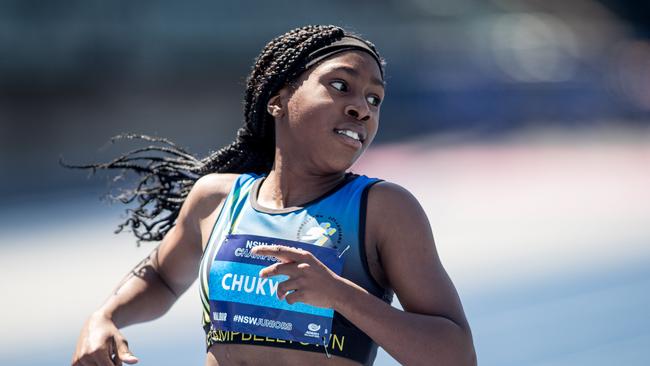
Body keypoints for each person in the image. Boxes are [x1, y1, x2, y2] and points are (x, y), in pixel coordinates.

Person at [65, 25, 477, 366]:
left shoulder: (383, 210)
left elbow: (456, 356)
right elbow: (161, 277)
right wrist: (104, 317)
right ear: (278, 99)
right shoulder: (216, 199)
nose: (363, 109)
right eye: (340, 85)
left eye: (374, 99)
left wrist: (339, 295)